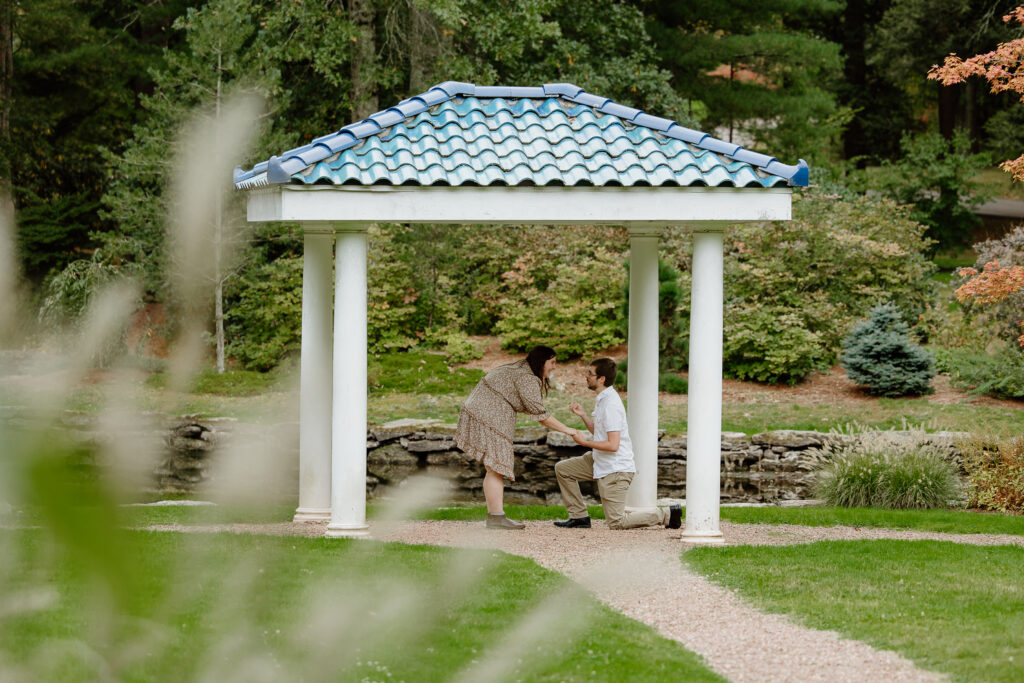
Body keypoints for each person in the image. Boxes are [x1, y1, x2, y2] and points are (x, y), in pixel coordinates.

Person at [455, 345, 577, 530]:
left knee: (493, 467)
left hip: (484, 413)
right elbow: (540, 415)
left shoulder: (523, 370)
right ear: (541, 361)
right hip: (489, 416)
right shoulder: (526, 377)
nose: (554, 367)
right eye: (552, 362)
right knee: (495, 467)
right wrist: (568, 430)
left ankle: (495, 516)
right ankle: (496, 517)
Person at [554, 357, 681, 530]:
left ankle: (667, 514)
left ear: (602, 379)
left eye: (590, 374)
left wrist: (584, 442)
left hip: (615, 469)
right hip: (599, 461)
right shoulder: (603, 399)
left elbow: (613, 445)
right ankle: (579, 517)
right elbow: (600, 433)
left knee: (617, 522)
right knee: (563, 469)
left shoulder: (611, 405)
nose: (586, 376)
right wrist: (583, 415)